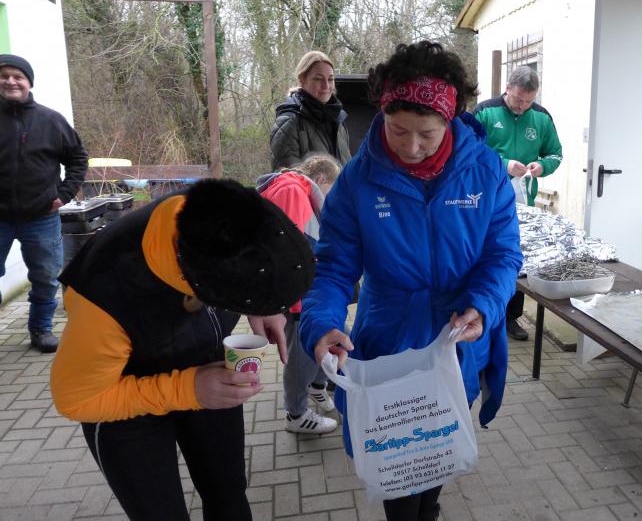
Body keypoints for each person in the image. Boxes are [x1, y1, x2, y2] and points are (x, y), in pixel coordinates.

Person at [299, 41, 523, 521]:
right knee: (399, 480)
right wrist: (321, 324)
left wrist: (484, 305)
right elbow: (333, 268)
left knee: (437, 461)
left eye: (427, 133)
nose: (412, 146)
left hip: (457, 342)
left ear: (451, 119)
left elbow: (503, 255)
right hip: (390, 344)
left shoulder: (485, 172)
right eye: (398, 130)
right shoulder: (358, 181)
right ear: (382, 113)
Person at [50, 179, 315, 521]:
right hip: (123, 403)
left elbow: (254, 254)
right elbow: (76, 400)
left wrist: (263, 306)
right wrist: (188, 389)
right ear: (195, 288)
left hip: (206, 373)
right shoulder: (104, 295)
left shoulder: (224, 212)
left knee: (229, 494)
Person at [0, 54, 88, 353]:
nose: (11, 81)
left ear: (29, 82)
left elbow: (77, 158)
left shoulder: (51, 120)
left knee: (46, 277)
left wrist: (64, 194)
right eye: (4, 76)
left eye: (18, 76)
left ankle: (41, 329)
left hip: (41, 217)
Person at [473, 65, 563, 341]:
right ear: (508, 88)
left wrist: (542, 166)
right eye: (518, 99)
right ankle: (481, 311)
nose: (523, 106)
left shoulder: (541, 117)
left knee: (516, 257)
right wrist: (503, 164)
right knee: (485, 254)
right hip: (483, 200)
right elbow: (470, 152)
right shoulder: (484, 112)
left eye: (528, 101)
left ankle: (511, 317)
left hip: (523, 202)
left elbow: (555, 154)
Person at [256, 152, 341, 434]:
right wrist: (294, 298)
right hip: (296, 295)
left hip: (303, 291)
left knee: (324, 338)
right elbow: (287, 248)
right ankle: (296, 413)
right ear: (321, 179)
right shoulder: (293, 190)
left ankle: (317, 386)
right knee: (301, 353)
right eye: (331, 190)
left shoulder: (290, 187)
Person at [270, 51, 351, 169]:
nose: (326, 86)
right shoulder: (289, 123)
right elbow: (287, 178)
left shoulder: (339, 120)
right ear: (302, 79)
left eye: (330, 79)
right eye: (318, 79)